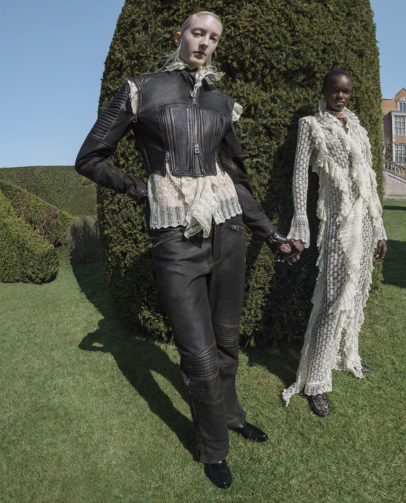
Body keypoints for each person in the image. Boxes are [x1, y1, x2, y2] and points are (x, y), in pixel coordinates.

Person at [75, 11, 299, 490]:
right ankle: (213, 447)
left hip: (228, 231)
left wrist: (272, 235)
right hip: (175, 239)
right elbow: (89, 158)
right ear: (180, 35)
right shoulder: (141, 90)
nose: (204, 43)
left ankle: (232, 414)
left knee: (226, 341)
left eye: (213, 38)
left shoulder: (221, 102)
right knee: (198, 354)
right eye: (198, 33)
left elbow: (236, 180)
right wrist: (143, 190)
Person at [282, 69, 387, 417]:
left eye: (346, 91)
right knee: (331, 299)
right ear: (325, 91)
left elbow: (369, 180)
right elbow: (300, 174)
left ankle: (346, 356)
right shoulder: (311, 125)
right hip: (337, 223)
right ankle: (316, 381)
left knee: (355, 294)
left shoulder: (357, 127)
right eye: (335, 90)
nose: (340, 96)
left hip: (365, 221)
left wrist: (380, 228)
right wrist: (300, 219)